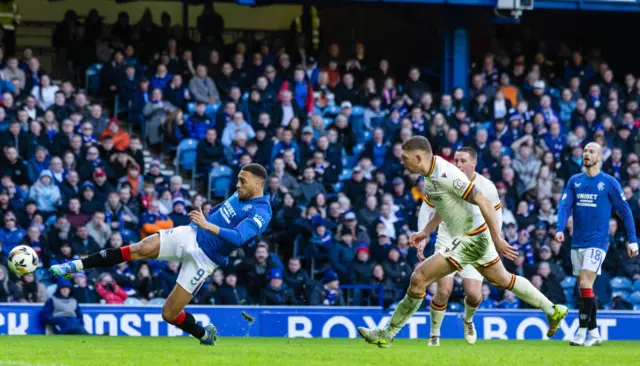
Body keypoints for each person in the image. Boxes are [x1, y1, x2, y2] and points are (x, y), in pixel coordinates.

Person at [358, 136, 567, 348]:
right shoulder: (430, 175)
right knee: (503, 280)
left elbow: (483, 201)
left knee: (419, 277)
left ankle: (388, 333)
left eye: (405, 158)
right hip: (474, 236)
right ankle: (553, 310)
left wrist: (498, 238)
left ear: (418, 157)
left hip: (470, 238)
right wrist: (425, 232)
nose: (402, 162)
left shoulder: (446, 174)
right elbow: (444, 207)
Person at [50, 163, 272, 346]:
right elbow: (222, 212)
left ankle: (204, 335)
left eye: (243, 181)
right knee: (140, 249)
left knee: (169, 313)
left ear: (258, 184)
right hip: (191, 234)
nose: (238, 184)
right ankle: (74, 266)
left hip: (206, 259)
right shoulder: (240, 193)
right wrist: (206, 220)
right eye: (238, 179)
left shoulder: (261, 211)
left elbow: (239, 237)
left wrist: (207, 224)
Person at [555, 142, 638, 347]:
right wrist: (559, 228)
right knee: (584, 289)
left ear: (600, 157)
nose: (586, 154)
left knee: (584, 283)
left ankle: (581, 333)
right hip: (577, 242)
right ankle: (594, 333)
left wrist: (633, 239)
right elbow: (565, 206)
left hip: (598, 241)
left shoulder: (609, 183)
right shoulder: (575, 181)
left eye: (591, 151)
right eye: (585, 151)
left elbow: (625, 211)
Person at [418, 146, 502, 346]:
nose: (458, 165)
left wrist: (497, 238)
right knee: (444, 290)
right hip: (447, 237)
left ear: (474, 163)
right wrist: (422, 235)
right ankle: (434, 334)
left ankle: (468, 319)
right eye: (456, 160)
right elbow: (426, 208)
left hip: (474, 240)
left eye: (463, 161)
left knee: (473, 294)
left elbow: (496, 213)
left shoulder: (487, 186)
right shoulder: (444, 178)